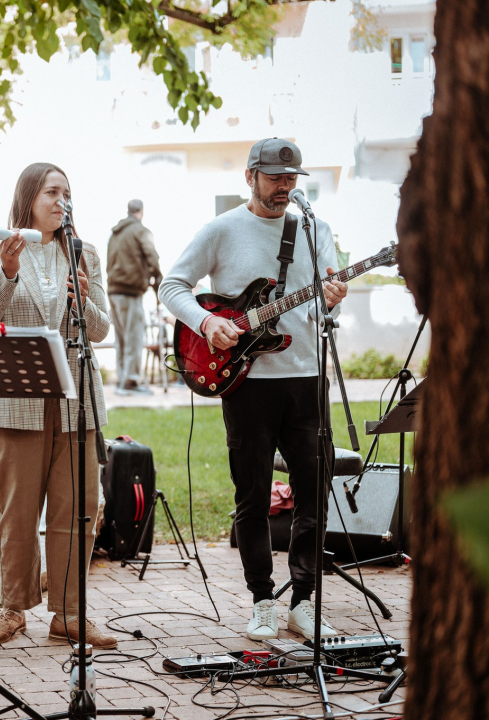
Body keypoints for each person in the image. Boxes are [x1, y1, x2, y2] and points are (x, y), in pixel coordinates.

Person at [158, 139, 349, 641]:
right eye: (274, 177)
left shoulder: (314, 230)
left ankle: (305, 601)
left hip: (307, 379)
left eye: (291, 178)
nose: (284, 186)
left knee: (313, 494)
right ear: (250, 176)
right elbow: (171, 286)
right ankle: (263, 600)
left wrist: (333, 299)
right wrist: (205, 324)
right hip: (246, 384)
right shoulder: (222, 230)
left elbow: (325, 309)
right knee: (253, 496)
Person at [0, 162, 118, 650]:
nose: (62, 201)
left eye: (68, 193)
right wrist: (8, 273)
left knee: (77, 508)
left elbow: (99, 330)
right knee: (16, 511)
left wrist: (83, 297)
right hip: (16, 397)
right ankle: (13, 609)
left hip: (76, 397)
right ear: (29, 197)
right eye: (53, 192)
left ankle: (70, 613)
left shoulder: (84, 254)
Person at [106, 199, 162, 396]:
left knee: (121, 338)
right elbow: (152, 256)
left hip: (113, 290)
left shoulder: (115, 233)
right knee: (134, 337)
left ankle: (123, 380)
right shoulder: (140, 230)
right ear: (141, 211)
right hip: (129, 291)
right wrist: (158, 277)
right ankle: (130, 381)